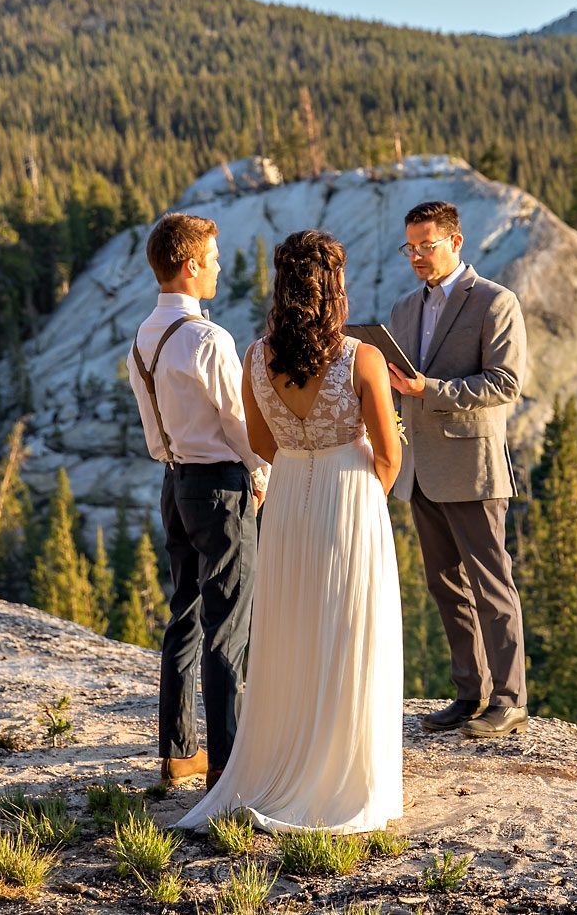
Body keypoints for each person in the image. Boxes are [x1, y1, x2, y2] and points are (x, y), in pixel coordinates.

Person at [178, 229, 405, 834]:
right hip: (348, 497)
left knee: (292, 627)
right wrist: (359, 497)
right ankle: (342, 771)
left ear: (282, 288)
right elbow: (389, 453)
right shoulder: (364, 359)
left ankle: (284, 758)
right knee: (348, 628)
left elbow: (259, 443)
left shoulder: (256, 356)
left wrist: (302, 456)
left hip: (286, 503)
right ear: (335, 288)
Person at [127, 213, 271, 788]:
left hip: (175, 482)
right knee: (228, 623)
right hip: (221, 486)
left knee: (183, 614)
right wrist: (263, 471)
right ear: (190, 266)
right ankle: (227, 763)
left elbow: (151, 425)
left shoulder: (144, 335)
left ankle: (178, 750)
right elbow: (238, 421)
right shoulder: (209, 339)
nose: (216, 266)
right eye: (211, 257)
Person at [386, 200, 529, 738]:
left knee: (492, 586)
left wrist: (432, 390)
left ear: (456, 242)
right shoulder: (402, 309)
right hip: (419, 469)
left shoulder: (495, 301)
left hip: (472, 467)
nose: (418, 256)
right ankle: (469, 693)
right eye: (411, 247)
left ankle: (509, 698)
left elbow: (506, 383)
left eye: (427, 245)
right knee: (445, 586)